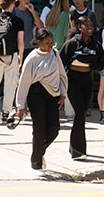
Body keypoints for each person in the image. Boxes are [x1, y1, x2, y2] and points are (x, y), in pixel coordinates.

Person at [13, 29, 66, 169]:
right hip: (36, 94)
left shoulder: (55, 54)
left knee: (54, 129)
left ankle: (38, 152)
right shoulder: (32, 58)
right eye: (47, 43)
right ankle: (36, 162)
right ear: (39, 42)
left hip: (53, 94)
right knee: (39, 128)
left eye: (51, 42)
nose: (50, 45)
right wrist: (20, 106)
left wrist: (63, 93)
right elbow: (24, 82)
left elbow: (62, 75)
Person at [59, 14, 104, 160]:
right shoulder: (71, 44)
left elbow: (101, 62)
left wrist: (92, 65)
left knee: (83, 113)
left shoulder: (96, 44)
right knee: (79, 113)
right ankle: (78, 151)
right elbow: (60, 62)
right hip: (72, 81)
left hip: (87, 81)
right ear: (79, 28)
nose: (90, 27)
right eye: (87, 25)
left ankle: (74, 146)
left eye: (92, 25)